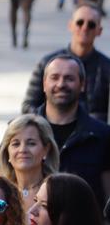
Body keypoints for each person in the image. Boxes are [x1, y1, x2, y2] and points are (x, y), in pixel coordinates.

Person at [27, 52, 110, 205]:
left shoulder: (103, 135)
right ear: (44, 84)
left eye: (69, 78)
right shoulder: (20, 133)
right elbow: (0, 185)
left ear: (82, 85)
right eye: (54, 77)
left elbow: (107, 199)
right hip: (31, 220)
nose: (61, 84)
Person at [22, 3, 110, 121]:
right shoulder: (48, 63)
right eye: (80, 22)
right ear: (70, 25)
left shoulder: (106, 67)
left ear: (99, 31)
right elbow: (28, 106)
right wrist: (51, 121)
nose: (84, 28)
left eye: (91, 24)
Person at [0, 114, 59, 212]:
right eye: (16, 144)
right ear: (7, 152)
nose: (22, 150)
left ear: (46, 149)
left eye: (31, 143)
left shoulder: (58, 191)